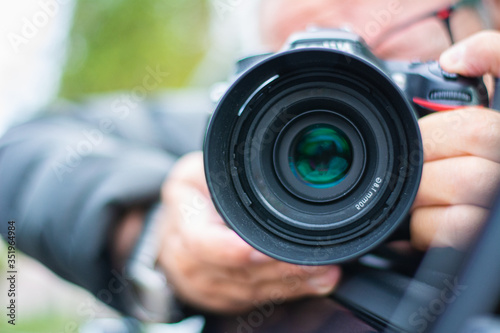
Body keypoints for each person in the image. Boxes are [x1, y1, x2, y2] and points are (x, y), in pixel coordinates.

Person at [1, 0, 500, 323]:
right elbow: (17, 154)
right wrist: (154, 231)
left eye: (382, 61)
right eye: (291, 56)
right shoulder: (228, 138)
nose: (339, 66)